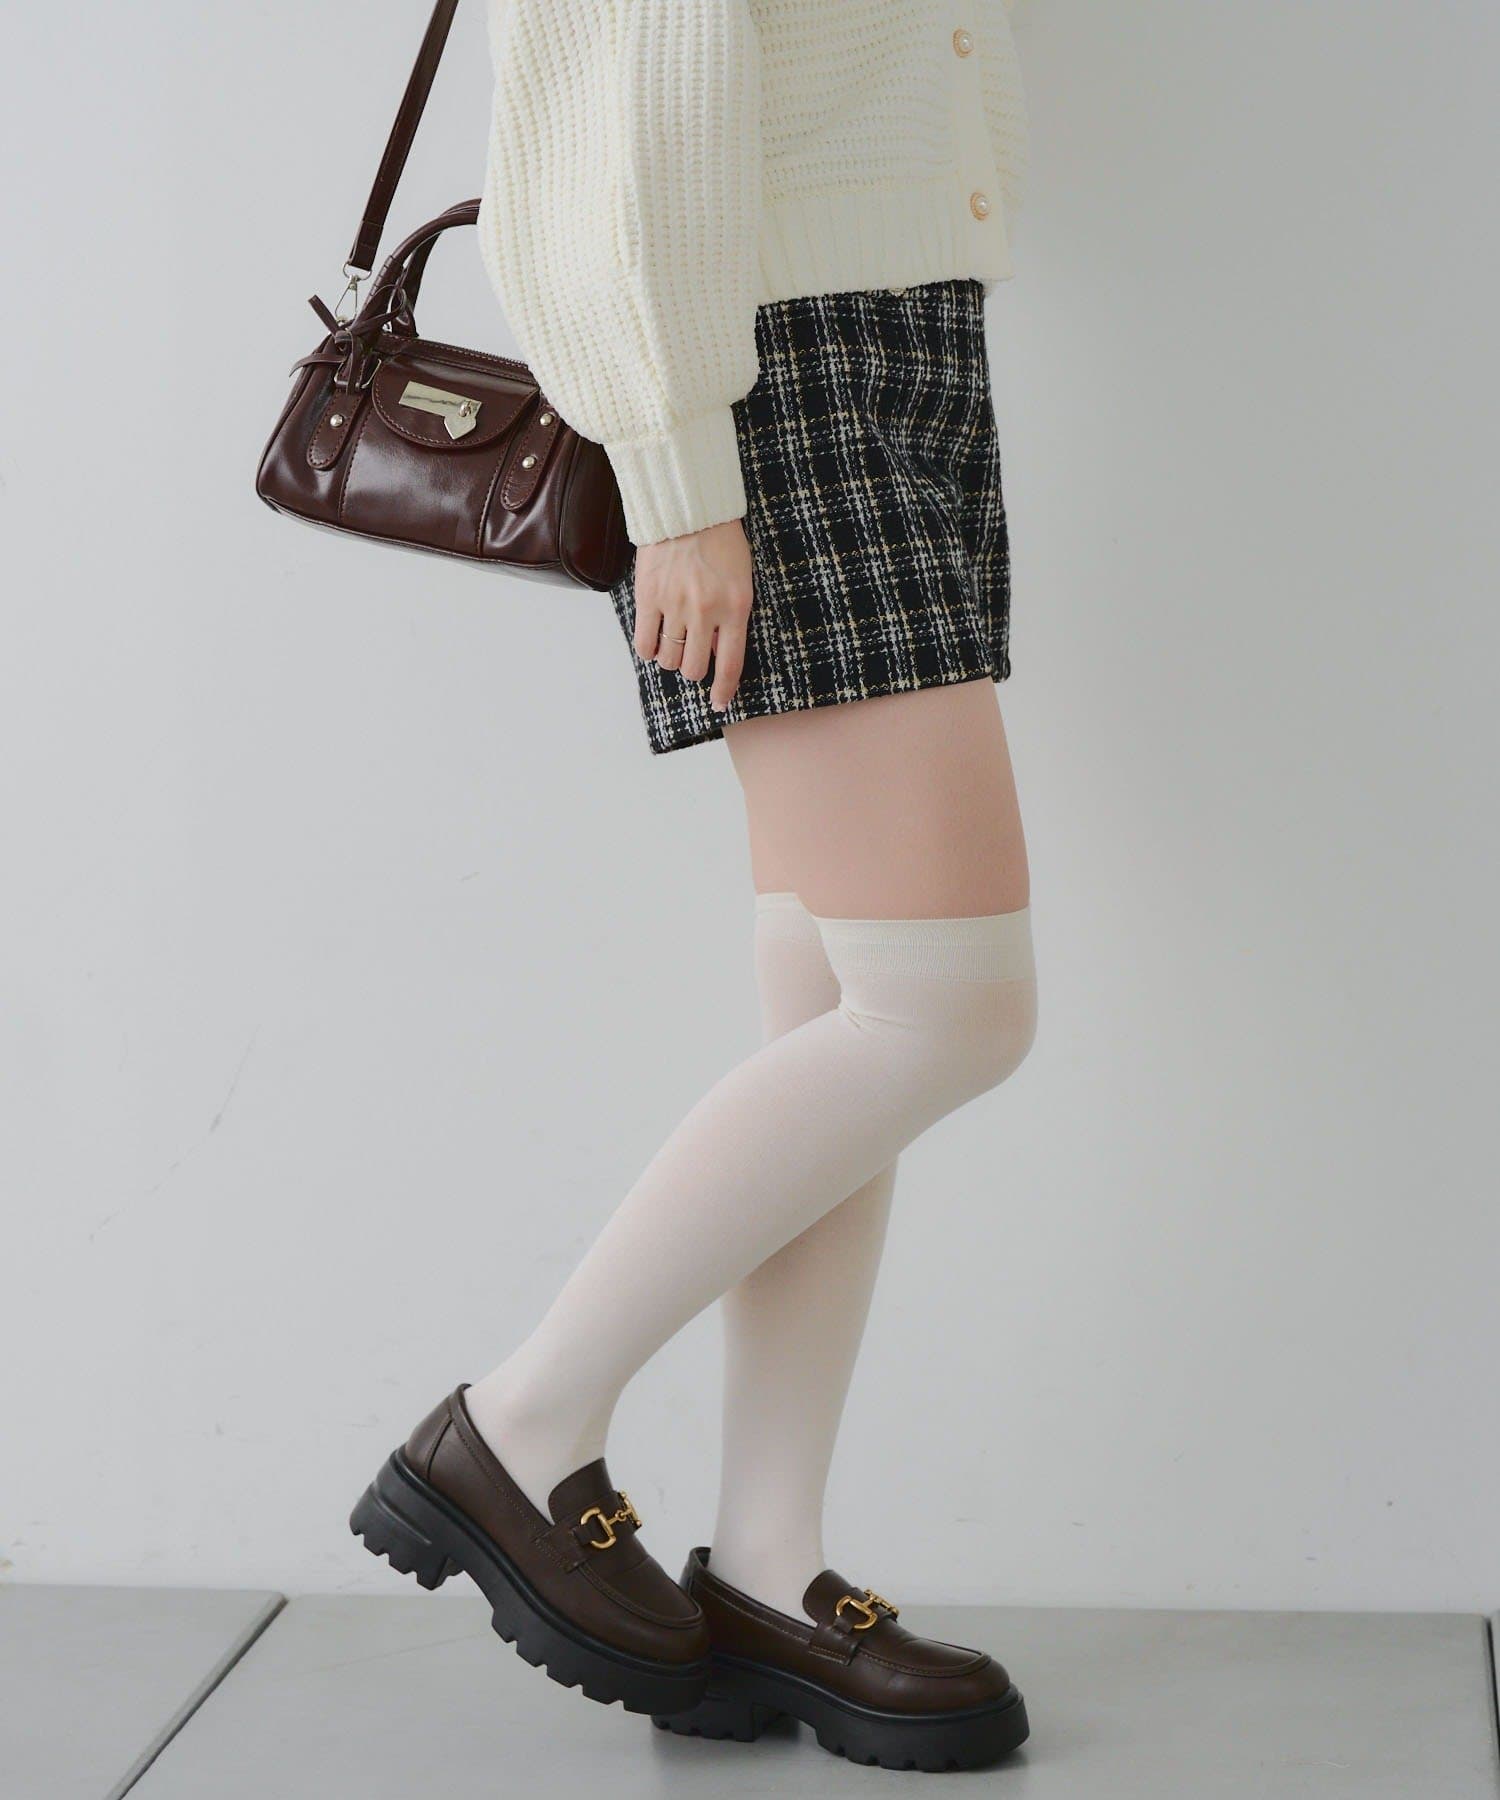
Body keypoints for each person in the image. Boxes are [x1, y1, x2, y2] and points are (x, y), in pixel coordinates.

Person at [351, 0, 1037, 1772]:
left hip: (891, 334)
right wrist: (674, 472)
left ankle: (773, 1564)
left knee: (838, 1010)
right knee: (947, 1011)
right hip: (764, 371)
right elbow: (611, 118)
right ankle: (522, 1424)